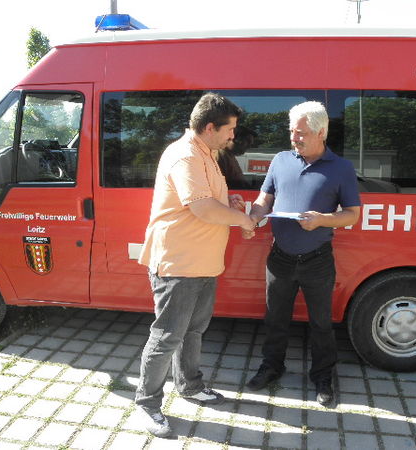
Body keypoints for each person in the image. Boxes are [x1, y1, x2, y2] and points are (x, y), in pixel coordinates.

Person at [135, 93, 256, 437]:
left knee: (192, 331)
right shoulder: (185, 155)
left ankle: (189, 385)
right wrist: (242, 220)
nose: (233, 135)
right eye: (230, 129)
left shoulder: (207, 154)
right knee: (167, 336)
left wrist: (228, 201)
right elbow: (201, 208)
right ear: (210, 127)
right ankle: (147, 404)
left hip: (202, 264)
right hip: (179, 264)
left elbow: (206, 199)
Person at [245, 101, 361, 407]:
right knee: (275, 319)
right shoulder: (281, 160)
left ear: (321, 132)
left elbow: (352, 214)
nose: (294, 138)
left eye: (301, 133)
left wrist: (322, 220)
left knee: (321, 323)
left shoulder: (341, 168)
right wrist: (253, 217)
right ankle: (272, 366)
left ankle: (322, 376)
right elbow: (264, 198)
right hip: (280, 257)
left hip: (317, 259)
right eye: (291, 131)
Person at [216, 125, 256, 189]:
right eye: (248, 142)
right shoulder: (220, 156)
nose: (249, 147)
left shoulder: (230, 155)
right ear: (235, 139)